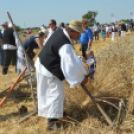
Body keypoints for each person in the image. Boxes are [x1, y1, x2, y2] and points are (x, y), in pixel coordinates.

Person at [35, 20, 88, 130]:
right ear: (72, 31)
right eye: (78, 33)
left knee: (50, 93)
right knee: (55, 94)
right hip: (49, 69)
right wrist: (81, 78)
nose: (79, 35)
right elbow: (69, 65)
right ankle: (52, 124)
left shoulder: (60, 32)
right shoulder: (65, 43)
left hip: (44, 64)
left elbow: (66, 57)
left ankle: (55, 113)